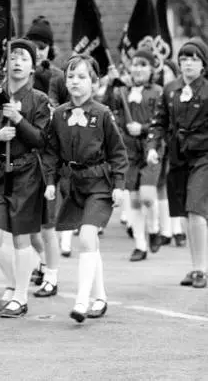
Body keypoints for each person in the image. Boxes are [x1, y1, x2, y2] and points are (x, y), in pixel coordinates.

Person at [44, 54, 128, 323]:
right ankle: (100, 297)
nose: (75, 81)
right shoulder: (58, 115)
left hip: (100, 183)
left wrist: (119, 185)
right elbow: (51, 153)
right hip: (74, 183)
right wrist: (50, 182)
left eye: (82, 77)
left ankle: (81, 301)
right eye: (71, 76)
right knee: (90, 241)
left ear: (94, 82)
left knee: (87, 237)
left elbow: (118, 153)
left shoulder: (103, 114)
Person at [0, 39, 51, 317]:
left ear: (32, 67)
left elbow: (42, 140)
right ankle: (13, 279)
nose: (17, 62)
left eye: (24, 58)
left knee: (22, 238)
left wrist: (19, 120)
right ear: (3, 64)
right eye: (12, 57)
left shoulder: (40, 100)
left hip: (27, 173)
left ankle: (20, 296)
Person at [147, 38, 208, 288]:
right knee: (185, 212)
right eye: (183, 59)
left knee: (195, 209)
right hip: (178, 157)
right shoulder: (170, 89)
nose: (187, 63)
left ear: (203, 64)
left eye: (194, 58)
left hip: (204, 156)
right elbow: (158, 122)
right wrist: (152, 147)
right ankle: (196, 267)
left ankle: (201, 270)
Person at [105, 49, 162, 261]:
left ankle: (155, 228)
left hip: (150, 149)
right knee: (135, 200)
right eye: (135, 64)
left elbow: (162, 121)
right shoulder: (123, 90)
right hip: (129, 150)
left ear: (152, 69)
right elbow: (109, 106)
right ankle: (140, 244)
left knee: (147, 196)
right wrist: (112, 84)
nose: (138, 69)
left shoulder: (157, 92)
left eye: (143, 65)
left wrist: (144, 128)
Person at [25, 15, 67, 281]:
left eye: (42, 46)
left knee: (48, 223)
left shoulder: (58, 77)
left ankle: (51, 273)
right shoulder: (20, 75)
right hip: (26, 155)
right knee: (29, 226)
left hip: (50, 155)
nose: (38, 50)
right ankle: (41, 261)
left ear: (49, 48)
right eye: (33, 45)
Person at [156, 59, 187, 247]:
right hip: (160, 144)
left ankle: (177, 229)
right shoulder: (156, 91)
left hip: (177, 145)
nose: (163, 74)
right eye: (161, 72)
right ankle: (166, 230)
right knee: (161, 187)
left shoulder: (177, 91)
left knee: (175, 185)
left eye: (167, 71)